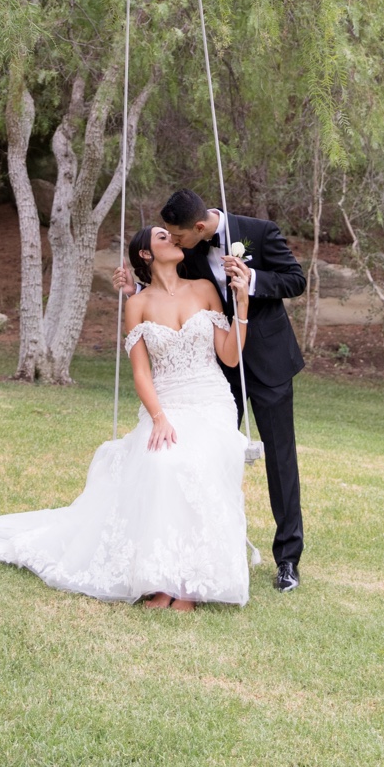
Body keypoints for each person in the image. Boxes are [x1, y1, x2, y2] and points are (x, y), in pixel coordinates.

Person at [0, 225, 252, 608]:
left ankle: (188, 585)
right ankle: (163, 579)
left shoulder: (203, 288)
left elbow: (230, 357)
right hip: (166, 402)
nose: (173, 239)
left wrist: (243, 303)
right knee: (161, 465)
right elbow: (140, 372)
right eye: (163, 237)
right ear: (145, 255)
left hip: (211, 400)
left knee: (194, 461)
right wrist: (159, 417)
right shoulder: (137, 304)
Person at [115, 187, 306, 591]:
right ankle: (207, 554)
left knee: (280, 461)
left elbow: (295, 280)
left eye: (177, 235)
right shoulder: (191, 249)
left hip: (269, 362)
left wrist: (251, 279)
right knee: (204, 460)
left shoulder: (261, 231)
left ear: (199, 227)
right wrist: (133, 292)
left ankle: (287, 559)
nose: (175, 241)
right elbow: (168, 292)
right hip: (215, 371)